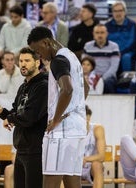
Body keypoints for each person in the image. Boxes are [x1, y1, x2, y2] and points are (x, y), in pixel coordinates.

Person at [28, 26, 87, 188]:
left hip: (62, 131)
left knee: (50, 183)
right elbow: (85, 88)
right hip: (78, 128)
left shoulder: (58, 61)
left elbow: (67, 89)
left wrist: (55, 119)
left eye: (38, 51)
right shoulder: (72, 56)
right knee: (72, 182)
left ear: (46, 42)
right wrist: (74, 107)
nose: (39, 56)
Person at [0, 47, 48, 188]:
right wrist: (2, 112)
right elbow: (16, 112)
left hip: (36, 149)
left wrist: (10, 119)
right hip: (21, 149)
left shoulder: (43, 86)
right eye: (21, 61)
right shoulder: (23, 86)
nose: (23, 64)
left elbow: (29, 116)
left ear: (37, 63)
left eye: (27, 61)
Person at [83, 24, 120, 94]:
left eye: (102, 32)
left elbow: (114, 67)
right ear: (93, 34)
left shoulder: (114, 46)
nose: (100, 35)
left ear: (107, 34)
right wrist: (93, 77)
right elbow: (84, 64)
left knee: (108, 83)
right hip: (91, 76)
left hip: (108, 77)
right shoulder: (87, 46)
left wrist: (101, 79)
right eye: (97, 33)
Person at [105, 0, 136, 72]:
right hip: (111, 51)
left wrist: (121, 52)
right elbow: (106, 41)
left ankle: (126, 80)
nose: (118, 13)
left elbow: (132, 42)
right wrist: (114, 52)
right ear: (112, 12)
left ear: (125, 12)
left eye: (120, 10)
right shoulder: (107, 26)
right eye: (115, 11)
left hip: (128, 52)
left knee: (126, 57)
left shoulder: (131, 24)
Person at [82, 106, 106, 188]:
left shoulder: (97, 129)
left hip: (90, 166)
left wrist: (85, 159)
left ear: (88, 118)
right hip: (74, 166)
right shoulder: (69, 131)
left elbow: (102, 156)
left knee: (97, 165)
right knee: (62, 169)